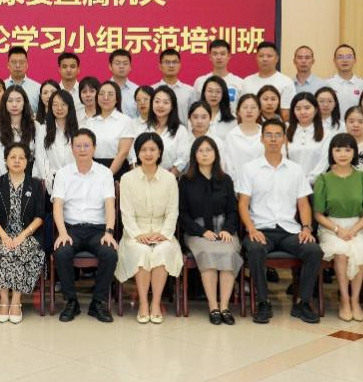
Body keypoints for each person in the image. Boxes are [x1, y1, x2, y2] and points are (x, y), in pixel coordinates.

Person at [237, 118, 321, 324]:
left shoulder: (295, 169)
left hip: (289, 231)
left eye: (278, 135)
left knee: (313, 250)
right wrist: (251, 229)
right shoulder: (249, 169)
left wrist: (307, 228)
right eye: (269, 135)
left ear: (284, 139)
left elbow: (303, 204)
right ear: (261, 138)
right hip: (261, 229)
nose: (273, 139)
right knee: (254, 249)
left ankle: (302, 303)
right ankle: (263, 302)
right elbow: (243, 204)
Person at [313, 133, 363, 322]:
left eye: (347, 150)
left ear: (354, 152)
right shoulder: (323, 179)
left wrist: (354, 230)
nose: (342, 154)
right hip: (331, 228)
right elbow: (318, 214)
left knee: (359, 252)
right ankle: (344, 300)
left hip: (357, 226)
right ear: (331, 152)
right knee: (341, 253)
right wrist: (338, 230)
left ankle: (355, 301)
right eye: (338, 149)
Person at [52, 129, 119, 323]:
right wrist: (62, 233)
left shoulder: (105, 173)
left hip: (98, 230)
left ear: (94, 148)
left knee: (110, 253)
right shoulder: (63, 174)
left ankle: (97, 303)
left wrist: (109, 232)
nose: (82, 149)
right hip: (71, 229)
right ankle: (71, 302)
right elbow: (57, 206)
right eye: (78, 146)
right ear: (72, 149)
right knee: (62, 252)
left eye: (86, 145)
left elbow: (110, 206)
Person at [116, 133, 182, 324]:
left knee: (163, 250)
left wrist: (164, 234)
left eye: (153, 149)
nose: (148, 153)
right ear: (137, 153)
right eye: (143, 150)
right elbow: (126, 213)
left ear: (160, 152)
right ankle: (143, 303)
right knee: (141, 251)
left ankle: (156, 303)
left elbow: (172, 212)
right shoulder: (128, 179)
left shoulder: (169, 179)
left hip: (163, 232)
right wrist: (138, 234)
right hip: (135, 232)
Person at [179, 135, 241, 325]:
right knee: (208, 252)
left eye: (209, 150)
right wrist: (201, 231)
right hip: (197, 232)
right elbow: (182, 213)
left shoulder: (225, 179)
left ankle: (225, 307)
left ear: (216, 154)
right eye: (200, 151)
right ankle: (213, 307)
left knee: (229, 252)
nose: (205, 154)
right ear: (194, 155)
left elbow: (232, 210)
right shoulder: (185, 181)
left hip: (223, 230)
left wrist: (228, 230)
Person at [0, 142, 47, 324]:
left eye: (21, 157)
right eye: (13, 157)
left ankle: (16, 301)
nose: (17, 161)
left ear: (27, 161)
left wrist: (21, 237)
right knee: (2, 249)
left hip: (29, 235)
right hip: (1, 234)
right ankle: (4, 300)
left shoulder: (35, 185)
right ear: (5, 160)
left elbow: (40, 217)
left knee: (19, 250)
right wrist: (4, 236)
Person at [132, 85, 192, 176]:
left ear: (172, 106)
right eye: (157, 101)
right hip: (141, 178)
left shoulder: (180, 130)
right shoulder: (141, 127)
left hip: (169, 178)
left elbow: (183, 158)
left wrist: (167, 179)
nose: (160, 105)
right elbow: (133, 156)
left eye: (166, 102)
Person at [0, 85, 45, 180]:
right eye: (10, 101)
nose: (14, 104)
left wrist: (34, 181)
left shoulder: (36, 126)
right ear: (5, 104)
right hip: (6, 177)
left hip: (31, 176)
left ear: (24, 103)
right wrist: (9, 182)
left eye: (18, 101)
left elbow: (39, 156)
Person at [84, 81, 134, 179]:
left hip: (118, 169)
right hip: (93, 169)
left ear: (117, 99)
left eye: (110, 94)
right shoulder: (90, 122)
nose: (105, 97)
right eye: (102, 94)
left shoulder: (125, 121)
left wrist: (107, 175)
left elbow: (123, 153)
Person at [242, 41, 294, 119]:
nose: (265, 59)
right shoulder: (247, 81)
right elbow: (242, 109)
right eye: (261, 56)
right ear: (256, 58)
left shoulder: (286, 82)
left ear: (277, 59)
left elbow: (286, 115)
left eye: (269, 56)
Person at [286, 92, 330, 183]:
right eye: (298, 109)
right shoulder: (286, 131)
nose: (302, 112)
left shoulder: (326, 133)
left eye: (307, 108)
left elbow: (325, 161)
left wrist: (308, 181)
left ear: (316, 110)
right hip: (290, 182)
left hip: (316, 184)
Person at [40, 90, 78, 193]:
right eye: (55, 104)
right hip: (52, 180)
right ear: (50, 107)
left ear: (70, 106)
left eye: (63, 104)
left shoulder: (79, 129)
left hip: (75, 180)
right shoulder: (43, 130)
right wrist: (48, 181)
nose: (59, 108)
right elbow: (42, 158)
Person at [222, 93, 263, 182]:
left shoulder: (265, 134)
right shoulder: (231, 136)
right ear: (238, 112)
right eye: (245, 107)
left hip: (263, 184)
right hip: (238, 184)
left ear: (259, 111)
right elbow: (228, 165)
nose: (249, 111)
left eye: (253, 107)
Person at [194, 39, 244, 111]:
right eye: (215, 54)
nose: (219, 57)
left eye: (222, 54)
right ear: (210, 57)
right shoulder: (200, 81)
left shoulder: (239, 83)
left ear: (229, 56)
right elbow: (195, 108)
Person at [153, 48, 195, 124]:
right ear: (160, 66)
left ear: (180, 65)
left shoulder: (190, 91)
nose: (171, 65)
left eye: (175, 62)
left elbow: (194, 116)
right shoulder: (153, 90)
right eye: (167, 62)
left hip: (182, 130)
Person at [326, 44, 363, 112]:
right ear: (334, 61)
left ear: (355, 60)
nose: (344, 60)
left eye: (349, 57)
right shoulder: (327, 84)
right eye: (340, 57)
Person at [4, 46, 41, 114]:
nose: (18, 65)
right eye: (14, 62)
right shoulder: (1, 87)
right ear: (8, 65)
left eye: (21, 62)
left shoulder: (38, 88)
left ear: (27, 65)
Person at [108, 49, 138, 117]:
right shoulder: (102, 90)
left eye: (125, 63)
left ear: (130, 67)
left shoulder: (136, 90)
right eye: (117, 63)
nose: (121, 66)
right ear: (110, 66)